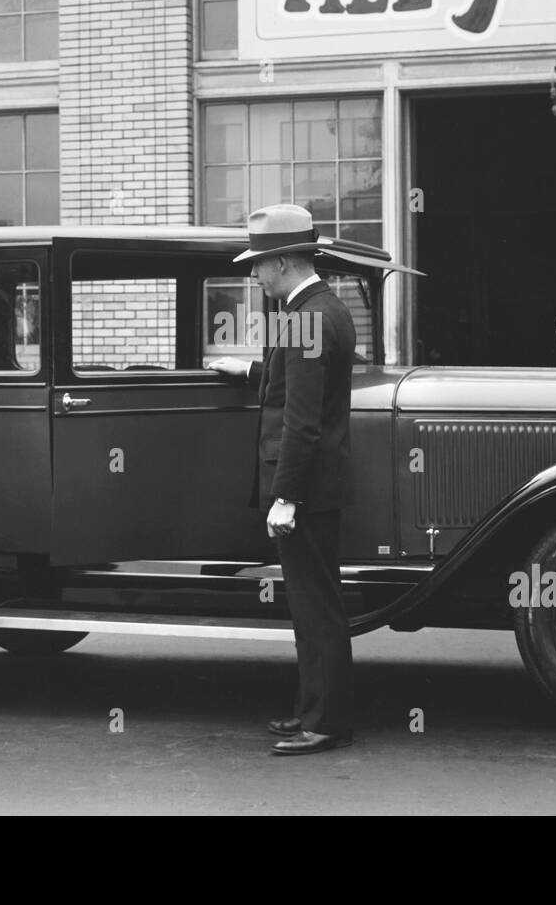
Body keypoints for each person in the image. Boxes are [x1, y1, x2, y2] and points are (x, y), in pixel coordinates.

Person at [210, 204, 356, 756]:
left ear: (287, 260)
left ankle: (327, 722)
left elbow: (303, 417)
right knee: (311, 604)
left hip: (307, 489)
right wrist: (248, 370)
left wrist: (286, 496)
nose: (254, 274)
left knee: (316, 608)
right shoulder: (320, 309)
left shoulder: (307, 318)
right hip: (318, 486)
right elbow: (298, 382)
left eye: (261, 263)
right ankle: (314, 712)